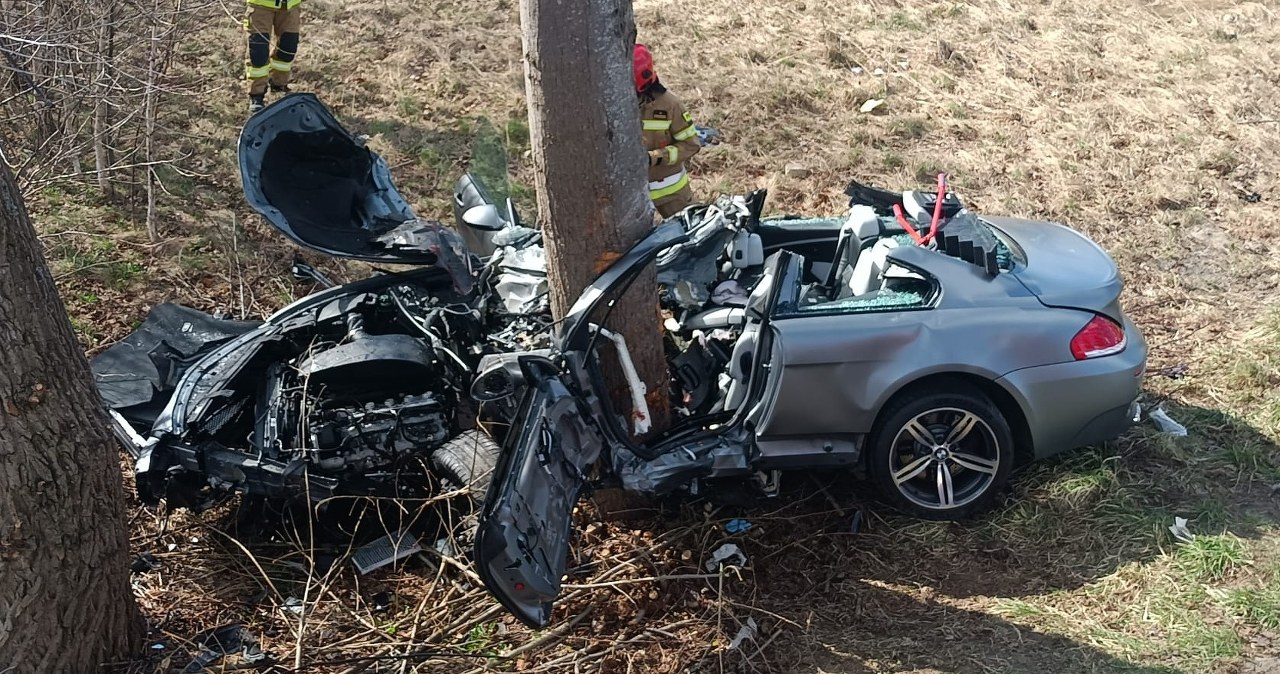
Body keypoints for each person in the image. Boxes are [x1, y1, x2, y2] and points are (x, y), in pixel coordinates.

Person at [635, 44, 701, 218]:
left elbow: (691, 145)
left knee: (690, 235)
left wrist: (656, 157)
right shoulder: (613, 105)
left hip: (671, 193)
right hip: (631, 197)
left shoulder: (670, 106)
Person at [245, 0, 303, 113]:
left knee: (287, 49)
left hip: (290, 7)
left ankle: (278, 85)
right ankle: (256, 95)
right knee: (258, 51)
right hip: (260, 6)